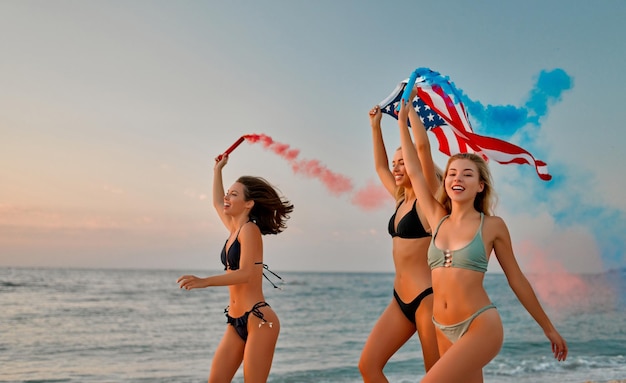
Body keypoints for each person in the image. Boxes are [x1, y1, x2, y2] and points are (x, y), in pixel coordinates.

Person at [395, 98, 568, 383]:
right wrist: (404, 120)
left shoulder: (493, 226)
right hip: (441, 325)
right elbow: (414, 170)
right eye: (451, 173)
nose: (456, 178)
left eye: (467, 174)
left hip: (480, 325)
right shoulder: (437, 218)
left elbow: (517, 279)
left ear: (480, 186)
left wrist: (548, 328)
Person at [177, 153, 293, 383]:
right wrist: (217, 170)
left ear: (248, 203)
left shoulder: (250, 230)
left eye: (234, 194)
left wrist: (205, 281)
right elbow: (216, 203)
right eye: (228, 193)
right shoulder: (234, 230)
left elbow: (246, 274)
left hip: (259, 319)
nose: (227, 197)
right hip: (235, 320)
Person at [359, 100, 442, 382]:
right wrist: (375, 127)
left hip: (427, 299)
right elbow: (380, 166)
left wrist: (405, 119)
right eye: (396, 164)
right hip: (399, 300)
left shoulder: (427, 198)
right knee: (368, 365)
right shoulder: (400, 200)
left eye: (402, 163)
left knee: (436, 376)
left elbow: (423, 148)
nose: (396, 168)